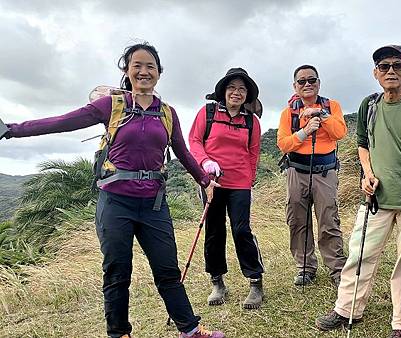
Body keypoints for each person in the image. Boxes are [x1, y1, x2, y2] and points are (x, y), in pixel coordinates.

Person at [1, 42, 224, 338]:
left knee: (167, 270)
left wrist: (205, 181)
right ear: (127, 70)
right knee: (118, 273)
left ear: (159, 73)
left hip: (154, 204)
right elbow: (63, 122)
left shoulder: (168, 113)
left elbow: (182, 151)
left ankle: (190, 329)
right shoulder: (112, 105)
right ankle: (119, 333)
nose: (144, 71)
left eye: (151, 67)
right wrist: (12, 129)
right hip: (115, 202)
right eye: (137, 66)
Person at [315, 45, 401, 338]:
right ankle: (346, 309)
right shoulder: (369, 105)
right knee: (359, 253)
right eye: (384, 66)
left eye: (398, 65)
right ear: (376, 73)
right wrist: (367, 175)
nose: (391, 71)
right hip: (376, 197)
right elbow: (362, 144)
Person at [188, 68, 265, 309]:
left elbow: (253, 152)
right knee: (214, 230)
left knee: (241, 230)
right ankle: (217, 281)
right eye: (232, 88)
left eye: (242, 89)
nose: (237, 92)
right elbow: (194, 141)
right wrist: (205, 163)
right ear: (223, 91)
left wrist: (250, 177)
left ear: (247, 95)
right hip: (212, 181)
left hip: (240, 182)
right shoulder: (207, 113)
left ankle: (255, 281)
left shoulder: (252, 121)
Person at [276, 64, 348, 286]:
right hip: (297, 171)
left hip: (325, 172)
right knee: (297, 220)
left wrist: (321, 115)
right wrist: (304, 131)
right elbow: (283, 144)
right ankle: (305, 267)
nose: (307, 84)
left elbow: (340, 132)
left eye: (312, 80)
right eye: (302, 81)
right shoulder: (288, 113)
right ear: (294, 86)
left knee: (328, 219)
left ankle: (337, 269)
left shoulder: (331, 106)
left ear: (319, 83)